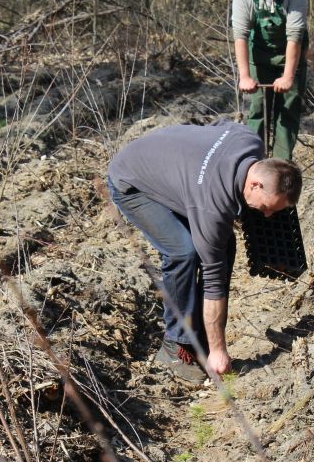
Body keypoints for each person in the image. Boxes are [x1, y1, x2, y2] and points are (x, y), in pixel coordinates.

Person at [107, 119, 303, 382]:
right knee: (183, 251)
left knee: (224, 243)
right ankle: (176, 346)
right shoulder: (211, 205)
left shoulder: (249, 140)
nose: (267, 215)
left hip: (169, 167)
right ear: (255, 184)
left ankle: (199, 333)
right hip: (132, 182)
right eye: (267, 207)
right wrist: (218, 350)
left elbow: (218, 124)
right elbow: (214, 281)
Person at [231, 0, 309, 160]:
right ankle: (253, 162)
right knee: (258, 108)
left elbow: (295, 36)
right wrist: (244, 76)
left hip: (290, 51)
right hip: (259, 51)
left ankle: (281, 164)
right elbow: (240, 35)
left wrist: (288, 77)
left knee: (288, 110)